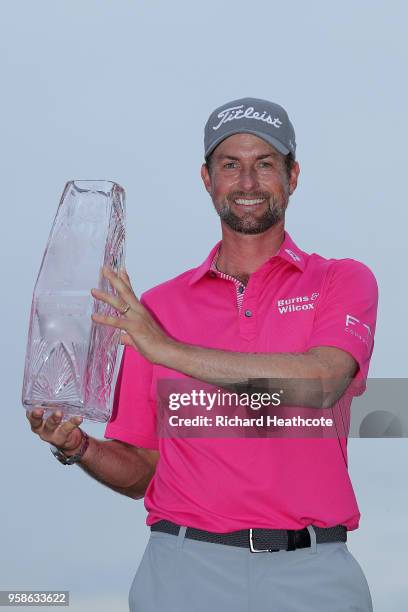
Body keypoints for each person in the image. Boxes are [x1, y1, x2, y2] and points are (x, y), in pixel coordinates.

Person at [27, 97, 378, 612]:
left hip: (313, 572)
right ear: (207, 178)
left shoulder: (341, 280)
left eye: (265, 164)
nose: (248, 182)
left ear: (293, 175)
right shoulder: (158, 308)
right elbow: (144, 470)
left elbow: (322, 382)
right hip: (184, 571)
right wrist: (78, 446)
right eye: (230, 165)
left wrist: (168, 348)